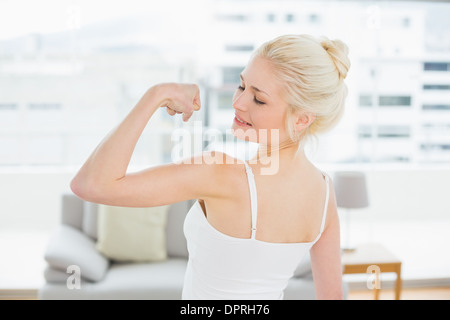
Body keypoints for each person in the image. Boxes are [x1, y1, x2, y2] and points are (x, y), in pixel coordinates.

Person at [70, 34, 351, 300]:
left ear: (302, 120)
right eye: (242, 85)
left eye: (259, 98)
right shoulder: (324, 192)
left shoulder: (220, 173)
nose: (238, 103)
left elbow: (91, 184)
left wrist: (156, 95)